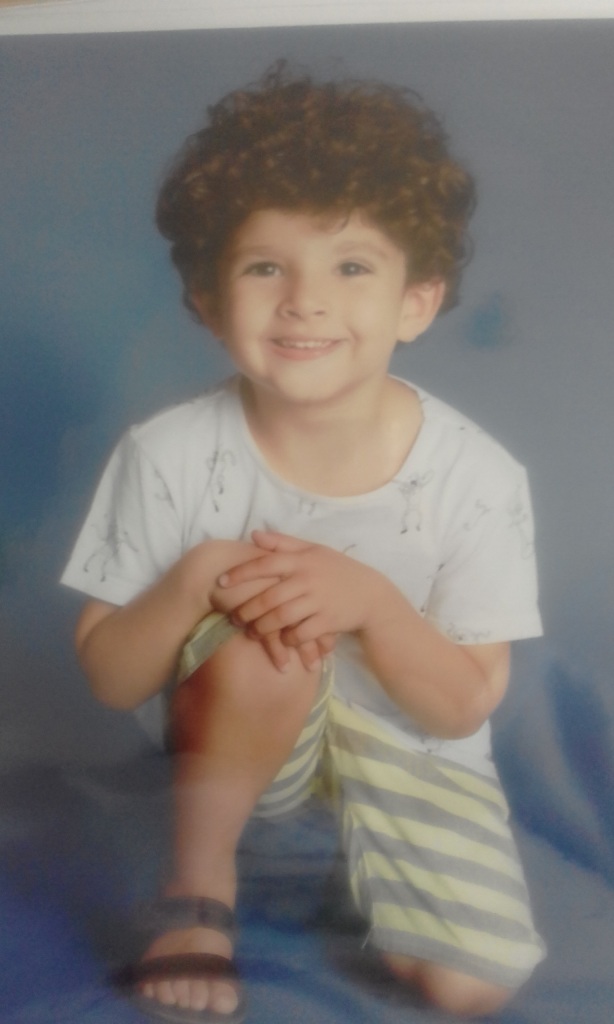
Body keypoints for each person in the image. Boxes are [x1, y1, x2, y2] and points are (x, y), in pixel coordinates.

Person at [61, 64, 546, 1023]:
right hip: (243, 715)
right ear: (208, 300)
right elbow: (111, 679)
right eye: (264, 267)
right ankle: (199, 890)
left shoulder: (477, 478)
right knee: (262, 641)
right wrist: (200, 577)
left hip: (410, 736)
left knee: (469, 989)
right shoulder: (169, 454)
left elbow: (462, 705)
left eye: (352, 267)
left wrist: (373, 604)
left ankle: (367, 861)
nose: (304, 301)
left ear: (416, 302)